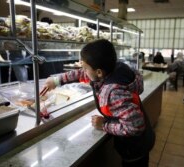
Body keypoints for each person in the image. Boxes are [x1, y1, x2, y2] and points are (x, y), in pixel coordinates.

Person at [42, 39, 155, 167]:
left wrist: (104, 125)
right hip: (139, 141)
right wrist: (57, 81)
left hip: (134, 147)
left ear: (99, 72)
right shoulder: (115, 68)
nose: (82, 71)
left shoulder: (114, 93)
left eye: (85, 68)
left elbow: (135, 126)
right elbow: (82, 74)